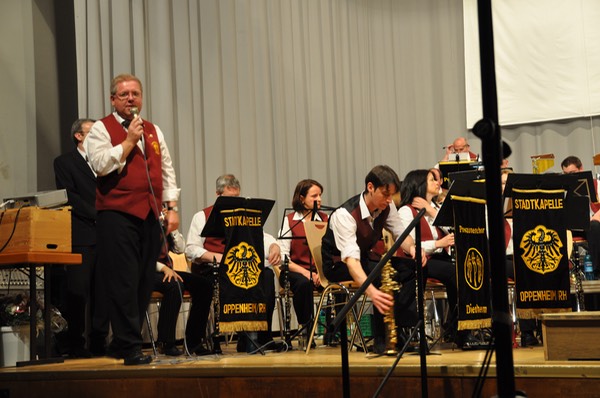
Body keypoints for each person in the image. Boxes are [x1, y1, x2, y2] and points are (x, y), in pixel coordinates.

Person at [85, 74, 181, 365]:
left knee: (142, 281)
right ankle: (129, 346)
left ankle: (123, 343)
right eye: (124, 94)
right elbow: (100, 166)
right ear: (113, 99)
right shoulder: (101, 129)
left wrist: (172, 206)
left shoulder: (153, 130)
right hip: (117, 214)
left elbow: (166, 168)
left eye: (135, 94)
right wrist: (128, 141)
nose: (131, 99)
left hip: (150, 214)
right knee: (123, 281)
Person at [321, 165, 422, 354]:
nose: (389, 200)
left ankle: (400, 329)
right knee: (378, 275)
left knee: (410, 268)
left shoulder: (387, 206)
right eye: (385, 194)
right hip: (337, 265)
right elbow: (351, 261)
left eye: (392, 195)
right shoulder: (345, 215)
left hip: (365, 260)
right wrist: (373, 293)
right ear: (370, 187)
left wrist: (413, 248)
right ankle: (381, 340)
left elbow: (401, 234)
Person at [185, 174, 284, 352]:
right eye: (229, 199)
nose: (234, 202)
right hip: (213, 269)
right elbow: (191, 249)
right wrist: (218, 257)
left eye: (237, 198)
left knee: (267, 275)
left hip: (240, 265)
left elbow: (262, 237)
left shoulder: (243, 216)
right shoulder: (202, 216)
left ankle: (261, 336)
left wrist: (275, 245)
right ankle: (217, 339)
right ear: (218, 195)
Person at [398, 169, 480, 349]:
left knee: (467, 271)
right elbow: (409, 244)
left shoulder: (435, 208)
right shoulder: (406, 211)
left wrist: (431, 211)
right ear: (419, 185)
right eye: (432, 180)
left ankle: (462, 327)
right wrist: (438, 243)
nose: (438, 183)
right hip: (418, 260)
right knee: (454, 272)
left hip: (440, 258)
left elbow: (454, 227)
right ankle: (460, 331)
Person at [52, 118, 108, 358]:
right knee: (78, 292)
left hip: (106, 235)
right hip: (81, 234)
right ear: (79, 136)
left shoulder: (105, 162)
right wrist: (98, 214)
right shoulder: (65, 162)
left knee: (102, 292)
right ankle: (74, 344)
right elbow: (70, 196)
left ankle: (99, 342)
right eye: (94, 132)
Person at [277, 179, 328, 341]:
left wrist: (321, 273)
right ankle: (306, 329)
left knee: (339, 279)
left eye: (320, 195)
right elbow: (283, 257)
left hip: (319, 271)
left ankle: (333, 331)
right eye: (314, 196)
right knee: (303, 284)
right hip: (294, 271)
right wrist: (307, 273)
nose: (319, 199)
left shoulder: (325, 219)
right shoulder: (290, 220)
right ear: (301, 198)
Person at [152, 228, 213, 356]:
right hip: (145, 272)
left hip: (166, 270)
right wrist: (163, 268)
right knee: (175, 285)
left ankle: (194, 342)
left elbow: (180, 249)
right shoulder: (142, 221)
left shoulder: (163, 223)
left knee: (204, 285)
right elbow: (140, 255)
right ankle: (166, 342)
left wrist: (172, 229)